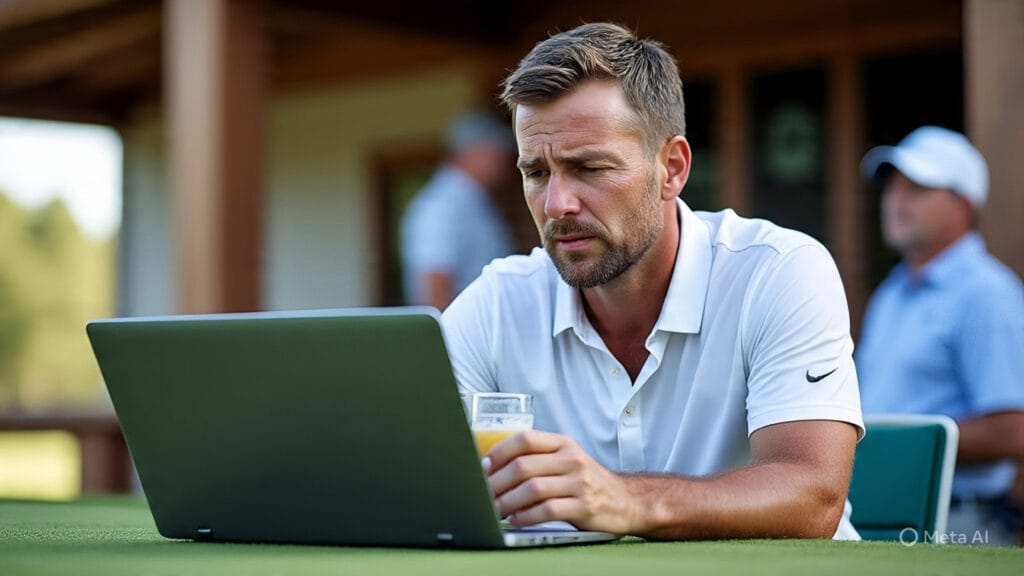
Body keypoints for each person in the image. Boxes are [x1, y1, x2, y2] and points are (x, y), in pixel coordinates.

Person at [441, 22, 863, 540]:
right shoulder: (495, 305)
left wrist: (627, 499)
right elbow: (418, 482)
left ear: (672, 167)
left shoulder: (778, 271)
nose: (556, 205)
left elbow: (813, 496)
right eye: (537, 173)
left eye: (590, 168)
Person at [857, 126, 1024, 546]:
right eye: (893, 187)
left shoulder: (987, 293)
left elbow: (1013, 430)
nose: (896, 201)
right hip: (883, 517)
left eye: (917, 188)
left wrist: (894, 447)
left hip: (962, 525)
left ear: (963, 205)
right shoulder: (891, 293)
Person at [400, 111, 517, 310]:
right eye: (495, 151)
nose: (504, 160)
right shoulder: (441, 205)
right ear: (471, 152)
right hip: (464, 335)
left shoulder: (472, 199)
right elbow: (435, 282)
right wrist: (445, 340)